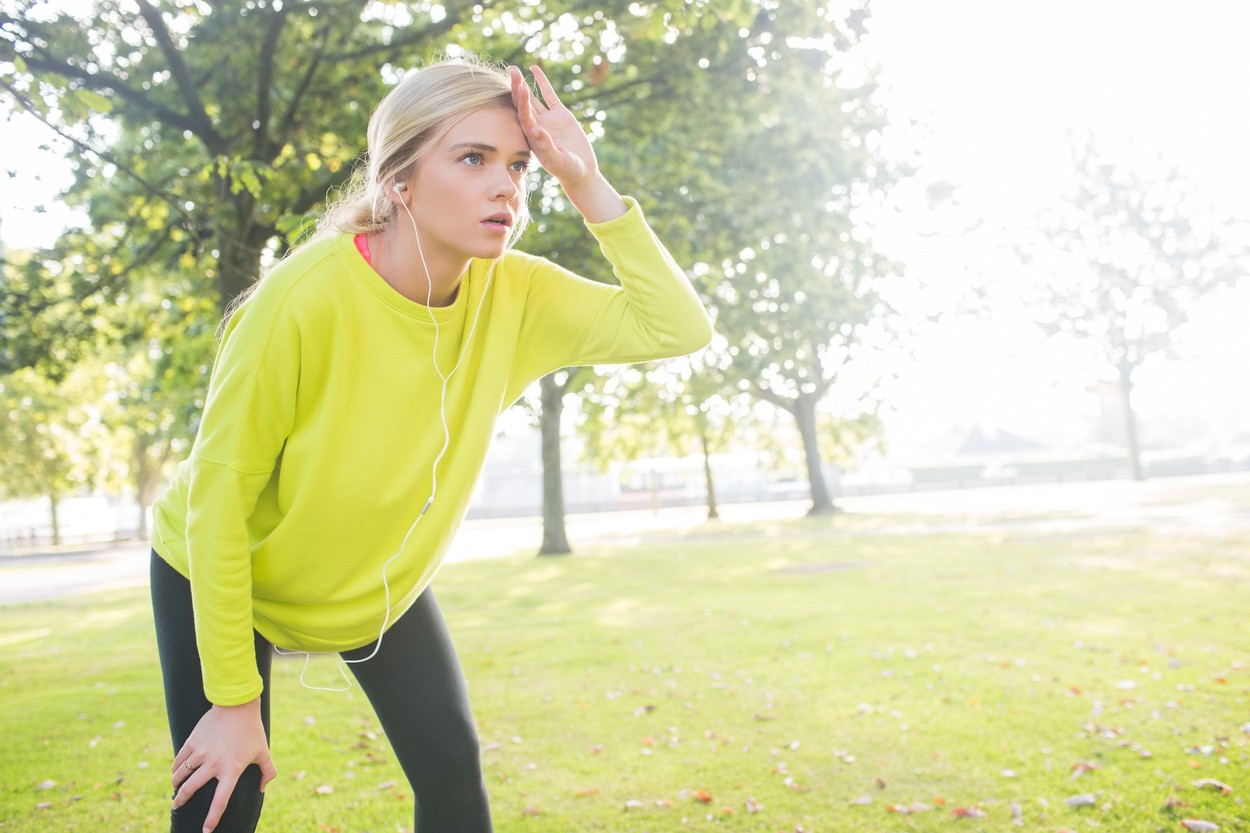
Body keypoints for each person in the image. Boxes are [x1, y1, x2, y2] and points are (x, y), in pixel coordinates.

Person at [147, 55, 712, 833]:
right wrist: (233, 701)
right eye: (473, 158)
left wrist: (585, 183)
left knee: (453, 777)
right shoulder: (301, 299)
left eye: (518, 163)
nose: (506, 184)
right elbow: (216, 501)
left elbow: (677, 327)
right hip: (220, 567)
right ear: (400, 181)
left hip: (377, 587)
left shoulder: (516, 292)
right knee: (224, 797)